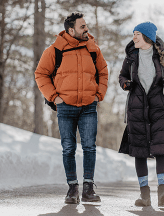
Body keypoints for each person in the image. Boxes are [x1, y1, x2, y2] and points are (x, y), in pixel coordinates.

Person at [34, 12, 108, 204]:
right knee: (68, 148)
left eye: (86, 25)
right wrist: (54, 97)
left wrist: (98, 95)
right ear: (71, 30)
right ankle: (72, 188)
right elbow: (41, 74)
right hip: (65, 107)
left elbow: (103, 71)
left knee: (90, 147)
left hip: (88, 107)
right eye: (82, 26)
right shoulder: (54, 50)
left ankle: (88, 189)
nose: (87, 29)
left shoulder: (93, 49)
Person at [118, 22, 164, 207]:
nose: (134, 38)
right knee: (139, 152)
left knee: (161, 150)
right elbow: (122, 76)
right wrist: (125, 84)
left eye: (137, 34)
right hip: (137, 109)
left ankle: (163, 191)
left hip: (160, 109)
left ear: (147, 36)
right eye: (133, 34)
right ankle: (144, 195)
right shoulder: (131, 58)